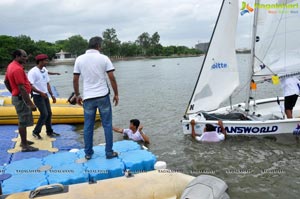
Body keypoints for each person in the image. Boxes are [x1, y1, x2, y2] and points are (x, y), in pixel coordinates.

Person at [73, 36, 119, 160]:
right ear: (98, 46)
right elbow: (112, 77)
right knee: (107, 125)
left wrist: (77, 95)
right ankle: (109, 152)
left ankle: (88, 153)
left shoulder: (79, 59)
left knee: (88, 126)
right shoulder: (104, 58)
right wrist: (116, 94)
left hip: (88, 97)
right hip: (103, 96)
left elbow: (75, 79)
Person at [4, 49, 39, 152]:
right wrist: (30, 103)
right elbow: (22, 88)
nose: (26, 58)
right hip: (21, 98)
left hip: (18, 97)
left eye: (26, 56)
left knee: (23, 120)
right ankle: (24, 145)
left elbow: (6, 81)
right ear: (17, 57)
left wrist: (13, 92)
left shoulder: (11, 66)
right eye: (23, 56)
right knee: (23, 122)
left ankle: (24, 141)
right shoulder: (17, 69)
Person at [28, 54, 60, 139]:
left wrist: (52, 94)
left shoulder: (44, 70)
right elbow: (30, 85)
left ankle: (49, 131)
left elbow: (47, 83)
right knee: (44, 114)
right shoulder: (33, 72)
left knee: (49, 113)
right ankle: (36, 132)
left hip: (45, 95)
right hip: (37, 96)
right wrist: (40, 92)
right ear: (41, 61)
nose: (47, 62)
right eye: (46, 60)